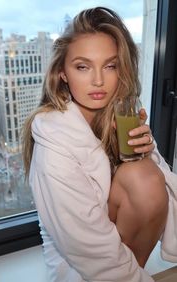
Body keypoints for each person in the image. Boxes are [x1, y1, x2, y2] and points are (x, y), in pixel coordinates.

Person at [22, 7, 177, 282]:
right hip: (78, 263)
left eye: (110, 66)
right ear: (63, 73)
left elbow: (161, 187)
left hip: (114, 247)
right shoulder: (53, 144)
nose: (98, 80)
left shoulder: (121, 118)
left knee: (145, 176)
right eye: (82, 66)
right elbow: (86, 244)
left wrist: (146, 151)